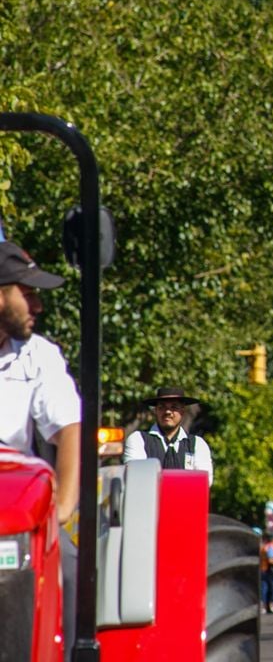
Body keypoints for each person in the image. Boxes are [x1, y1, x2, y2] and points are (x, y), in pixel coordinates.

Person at [0, 240, 82, 660]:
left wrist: (62, 508)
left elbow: (68, 427)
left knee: (71, 568)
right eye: (27, 293)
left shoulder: (38, 355)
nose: (38, 306)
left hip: (13, 502)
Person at [123, 387, 214, 484]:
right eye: (162, 407)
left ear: (182, 411)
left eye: (174, 407)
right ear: (156, 410)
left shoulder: (197, 444)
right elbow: (135, 477)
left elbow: (204, 482)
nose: (168, 412)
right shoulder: (138, 440)